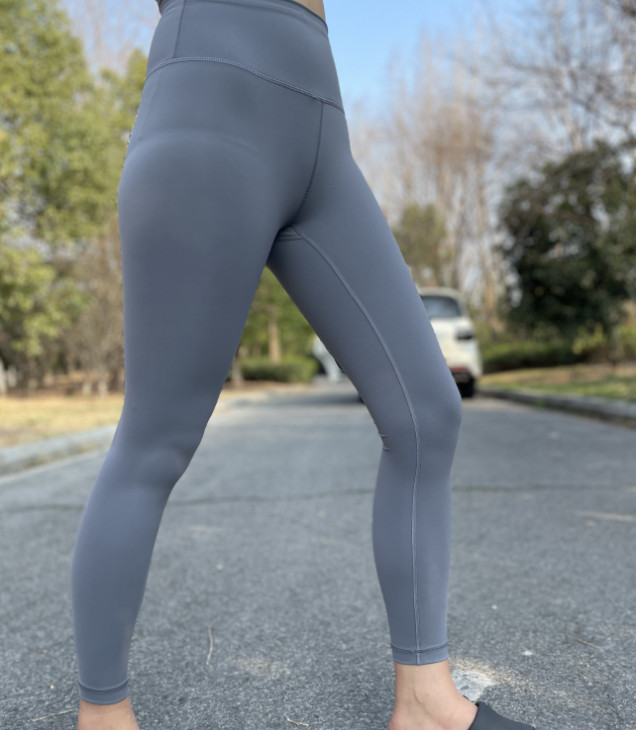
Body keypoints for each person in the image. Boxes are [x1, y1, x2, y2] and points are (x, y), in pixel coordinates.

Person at [70, 0, 535, 728]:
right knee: (156, 441)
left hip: (322, 130)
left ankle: (426, 703)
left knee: (427, 411)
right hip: (209, 98)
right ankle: (102, 717)